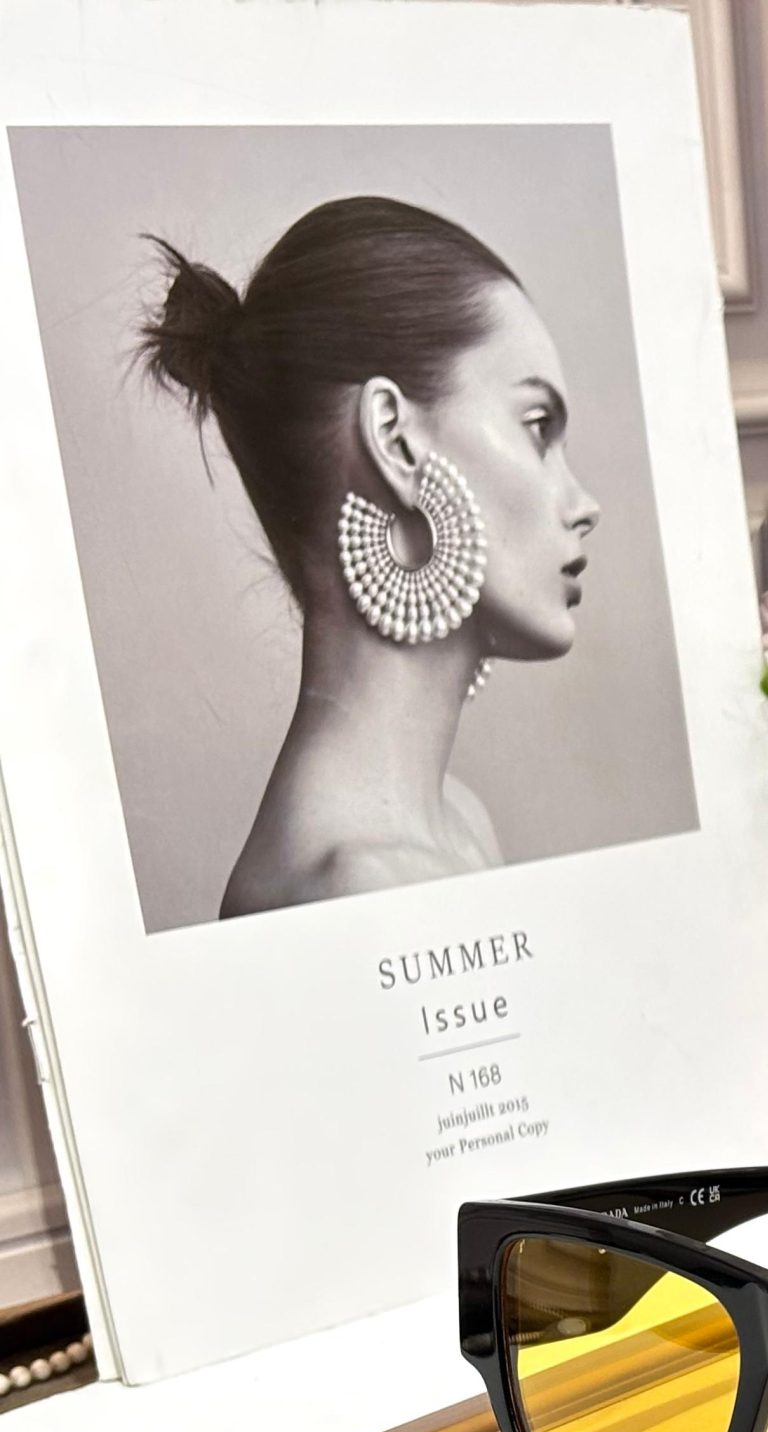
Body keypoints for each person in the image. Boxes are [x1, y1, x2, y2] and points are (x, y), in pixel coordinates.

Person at [137, 196, 601, 916]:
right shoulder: (345, 889)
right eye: (537, 426)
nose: (584, 504)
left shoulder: (461, 822)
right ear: (394, 439)